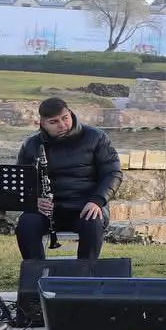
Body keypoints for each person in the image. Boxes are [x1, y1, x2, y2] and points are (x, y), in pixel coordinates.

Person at [15, 97, 122, 261]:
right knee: (26, 224)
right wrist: (32, 201)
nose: (62, 124)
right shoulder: (31, 145)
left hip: (85, 206)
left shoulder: (96, 137)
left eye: (65, 118)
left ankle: (85, 277)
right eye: (54, 122)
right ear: (42, 123)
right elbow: (21, 181)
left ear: (70, 113)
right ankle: (36, 277)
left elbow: (113, 173)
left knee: (92, 222)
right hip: (47, 210)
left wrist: (98, 200)